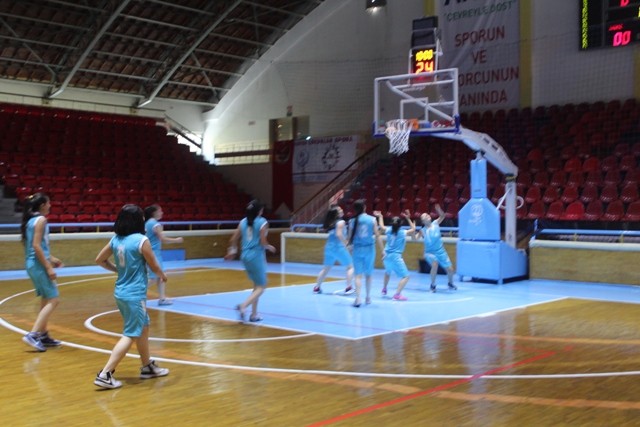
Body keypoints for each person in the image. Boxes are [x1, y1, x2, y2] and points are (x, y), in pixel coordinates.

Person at [94, 204, 170, 389]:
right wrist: (162, 275)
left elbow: (99, 260)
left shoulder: (116, 239)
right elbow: (154, 265)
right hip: (135, 294)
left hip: (121, 292)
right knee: (131, 334)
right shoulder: (141, 240)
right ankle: (105, 374)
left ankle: (147, 366)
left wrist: (119, 270)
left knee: (143, 327)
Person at [20, 193, 65, 352]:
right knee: (54, 299)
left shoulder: (30, 221)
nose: (50, 205)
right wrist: (48, 267)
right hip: (38, 265)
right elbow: (36, 246)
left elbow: (36, 246)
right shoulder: (41, 220)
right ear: (42, 205)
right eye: (48, 203)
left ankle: (43, 334)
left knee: (46, 299)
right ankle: (33, 334)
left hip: (32, 264)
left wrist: (51, 259)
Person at [224, 200, 276, 322]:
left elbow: (233, 239)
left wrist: (232, 252)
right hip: (256, 255)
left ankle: (254, 314)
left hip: (245, 256)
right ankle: (244, 306)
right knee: (262, 286)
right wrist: (270, 247)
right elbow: (263, 243)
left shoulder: (243, 221)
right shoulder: (262, 222)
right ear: (259, 210)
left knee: (257, 285)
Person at [144, 204, 184, 305]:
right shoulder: (155, 224)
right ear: (155, 213)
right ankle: (135, 292)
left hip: (151, 252)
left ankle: (162, 299)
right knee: (154, 278)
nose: (162, 212)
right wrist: (176, 240)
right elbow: (163, 239)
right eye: (160, 211)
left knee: (160, 276)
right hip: (154, 254)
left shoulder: (147, 223)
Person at [348, 199, 385, 307]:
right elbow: (377, 235)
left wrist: (349, 247)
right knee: (368, 274)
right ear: (364, 207)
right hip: (369, 249)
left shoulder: (352, 221)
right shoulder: (372, 219)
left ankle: (358, 298)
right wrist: (383, 250)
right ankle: (368, 297)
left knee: (358, 275)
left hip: (357, 249)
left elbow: (349, 238)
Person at [374, 209, 416, 301]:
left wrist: (380, 216)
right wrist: (409, 219)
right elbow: (413, 229)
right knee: (406, 276)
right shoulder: (402, 232)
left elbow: (382, 226)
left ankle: (384, 289)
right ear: (401, 224)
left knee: (388, 272)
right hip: (395, 256)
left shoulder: (388, 230)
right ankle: (397, 294)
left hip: (386, 255)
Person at [313, 205, 354, 295]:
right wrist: (347, 244)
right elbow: (338, 234)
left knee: (326, 269)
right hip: (338, 248)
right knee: (350, 267)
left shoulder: (331, 223)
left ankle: (317, 287)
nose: (342, 209)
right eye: (340, 209)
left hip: (328, 248)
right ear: (337, 213)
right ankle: (348, 288)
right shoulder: (341, 222)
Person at [417, 204, 457, 293]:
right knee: (434, 264)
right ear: (423, 221)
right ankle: (433, 285)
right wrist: (412, 230)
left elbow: (443, 216)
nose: (427, 216)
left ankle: (450, 283)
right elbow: (414, 239)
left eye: (427, 214)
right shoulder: (422, 231)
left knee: (451, 270)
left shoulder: (435, 223)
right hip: (430, 252)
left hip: (441, 251)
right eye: (424, 216)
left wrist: (439, 209)